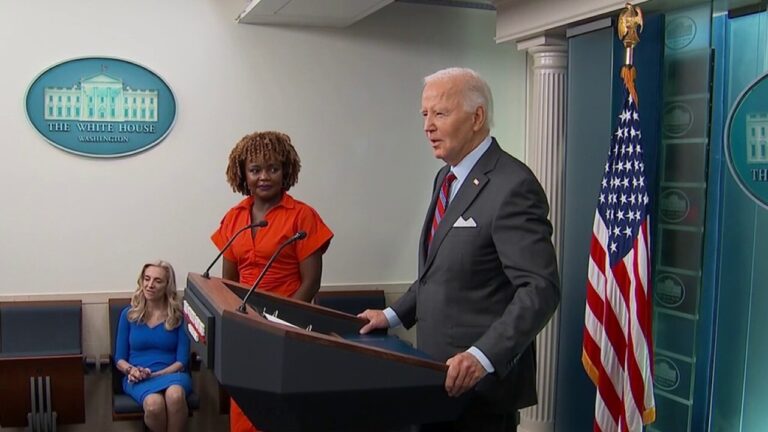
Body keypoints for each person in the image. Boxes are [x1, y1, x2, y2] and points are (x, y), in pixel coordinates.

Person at [358, 67, 560, 432]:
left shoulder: (513, 185)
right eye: (424, 115)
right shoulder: (446, 177)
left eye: (440, 113)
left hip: (480, 392)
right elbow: (440, 271)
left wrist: (482, 357)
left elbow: (540, 288)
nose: (427, 126)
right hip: (436, 381)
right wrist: (389, 316)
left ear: (477, 117)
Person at [211, 130, 333, 432]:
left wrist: (280, 324)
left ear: (286, 171)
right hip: (247, 332)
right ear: (243, 174)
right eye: (255, 170)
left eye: (273, 168)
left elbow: (312, 282)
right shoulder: (234, 218)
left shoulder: (302, 216)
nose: (264, 176)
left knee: (282, 414)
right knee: (246, 413)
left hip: (288, 330)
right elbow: (230, 282)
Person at [115, 260, 192, 432]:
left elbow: (182, 361)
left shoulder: (179, 316)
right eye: (147, 279)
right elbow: (119, 358)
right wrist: (132, 371)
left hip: (173, 374)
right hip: (138, 377)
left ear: (167, 286)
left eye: (157, 281)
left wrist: (155, 374)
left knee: (175, 395)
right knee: (153, 404)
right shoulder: (128, 315)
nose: (150, 285)